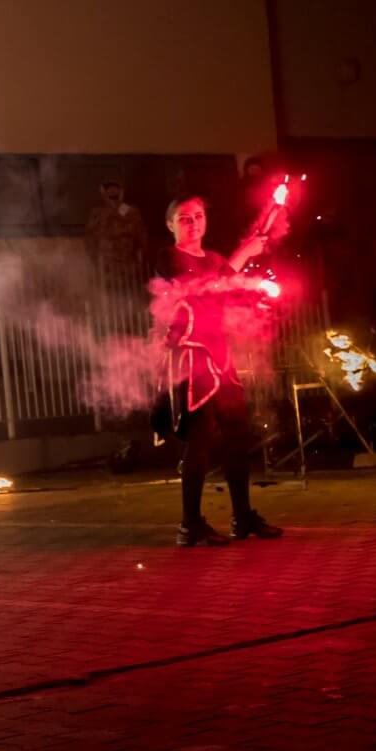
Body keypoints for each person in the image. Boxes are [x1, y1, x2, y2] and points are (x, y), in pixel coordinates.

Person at [154, 197, 283, 547]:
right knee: (200, 439)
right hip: (192, 356)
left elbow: (227, 293)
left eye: (198, 216)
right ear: (170, 224)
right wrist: (243, 254)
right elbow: (202, 289)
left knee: (237, 436)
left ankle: (242, 517)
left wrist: (254, 288)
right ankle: (190, 524)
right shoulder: (168, 257)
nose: (193, 223)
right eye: (184, 218)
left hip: (220, 354)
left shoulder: (213, 259)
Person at [84, 180, 148, 287]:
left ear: (121, 191)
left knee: (128, 289)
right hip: (107, 265)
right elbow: (90, 239)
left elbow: (141, 236)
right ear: (103, 192)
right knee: (109, 290)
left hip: (128, 263)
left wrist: (140, 256)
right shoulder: (97, 214)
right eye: (109, 190)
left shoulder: (131, 211)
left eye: (116, 189)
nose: (113, 192)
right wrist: (94, 258)